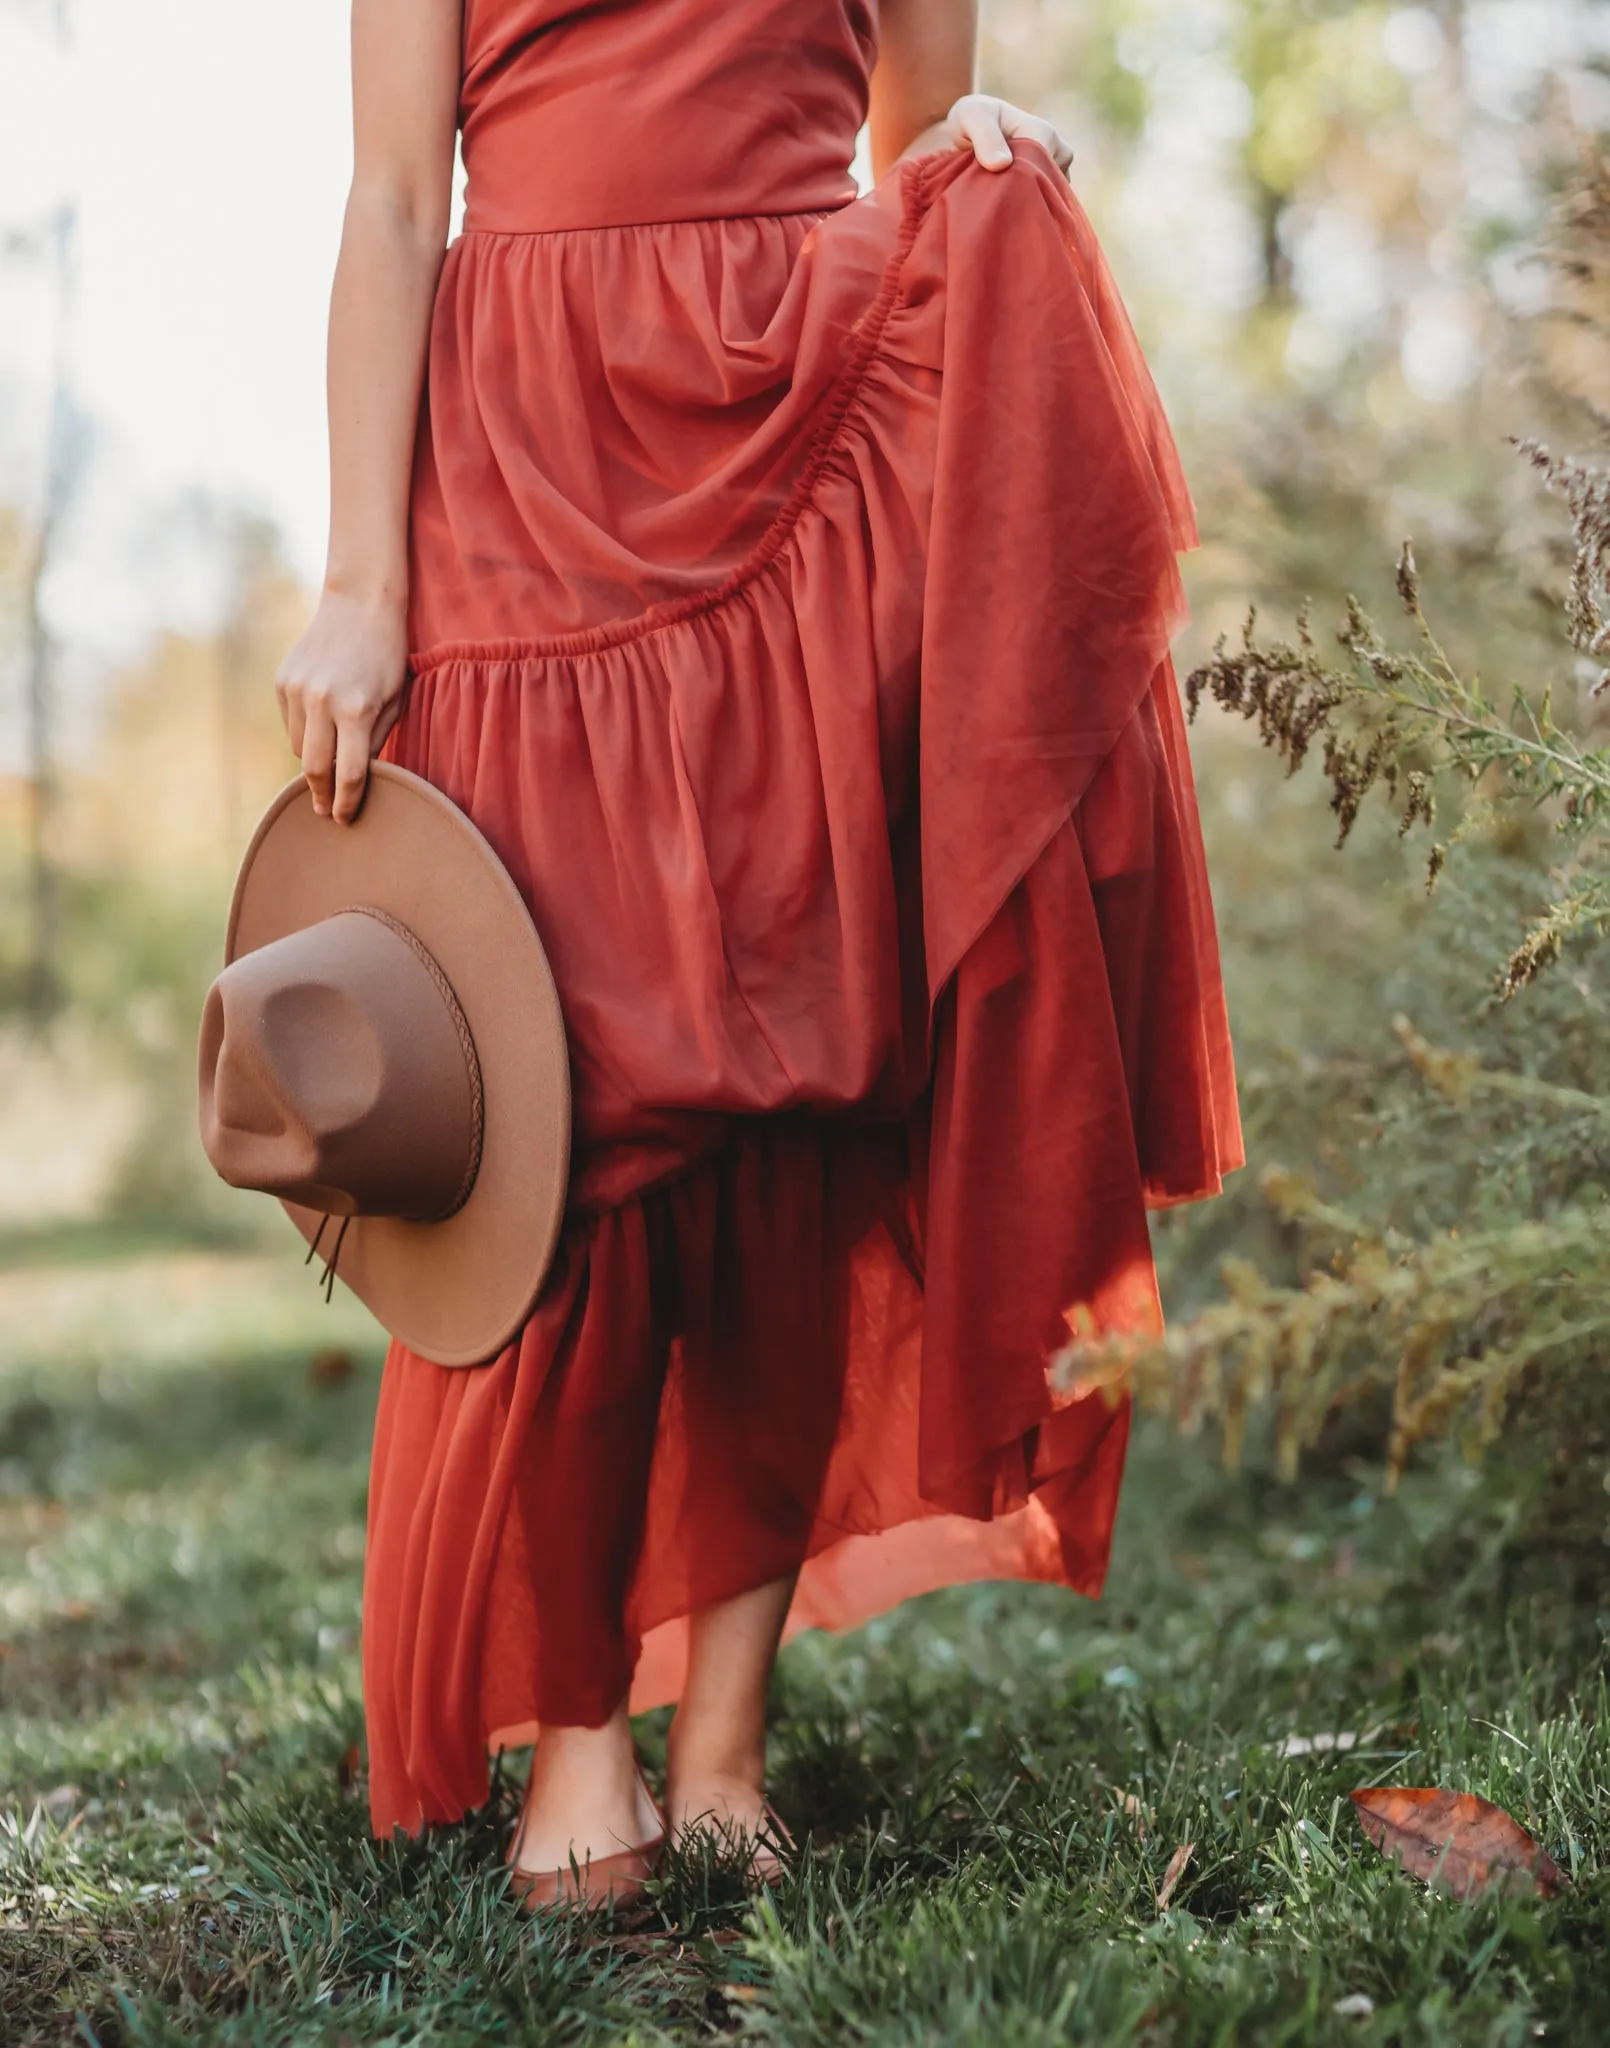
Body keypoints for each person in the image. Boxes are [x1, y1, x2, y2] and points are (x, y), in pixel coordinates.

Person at [273, 0, 1242, 1901]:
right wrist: (359, 585)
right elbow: (393, 203)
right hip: (527, 461)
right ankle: (573, 1737)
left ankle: (720, 1741)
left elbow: (906, 144)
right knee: (577, 1119)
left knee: (796, 1095)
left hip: (793, 457)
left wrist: (977, 171)